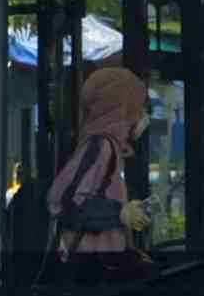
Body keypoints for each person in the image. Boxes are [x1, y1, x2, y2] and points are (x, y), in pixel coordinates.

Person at [46, 66, 152, 256]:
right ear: (121, 109)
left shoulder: (114, 148)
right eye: (139, 106)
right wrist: (120, 213)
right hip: (90, 272)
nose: (143, 115)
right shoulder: (101, 145)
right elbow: (62, 201)